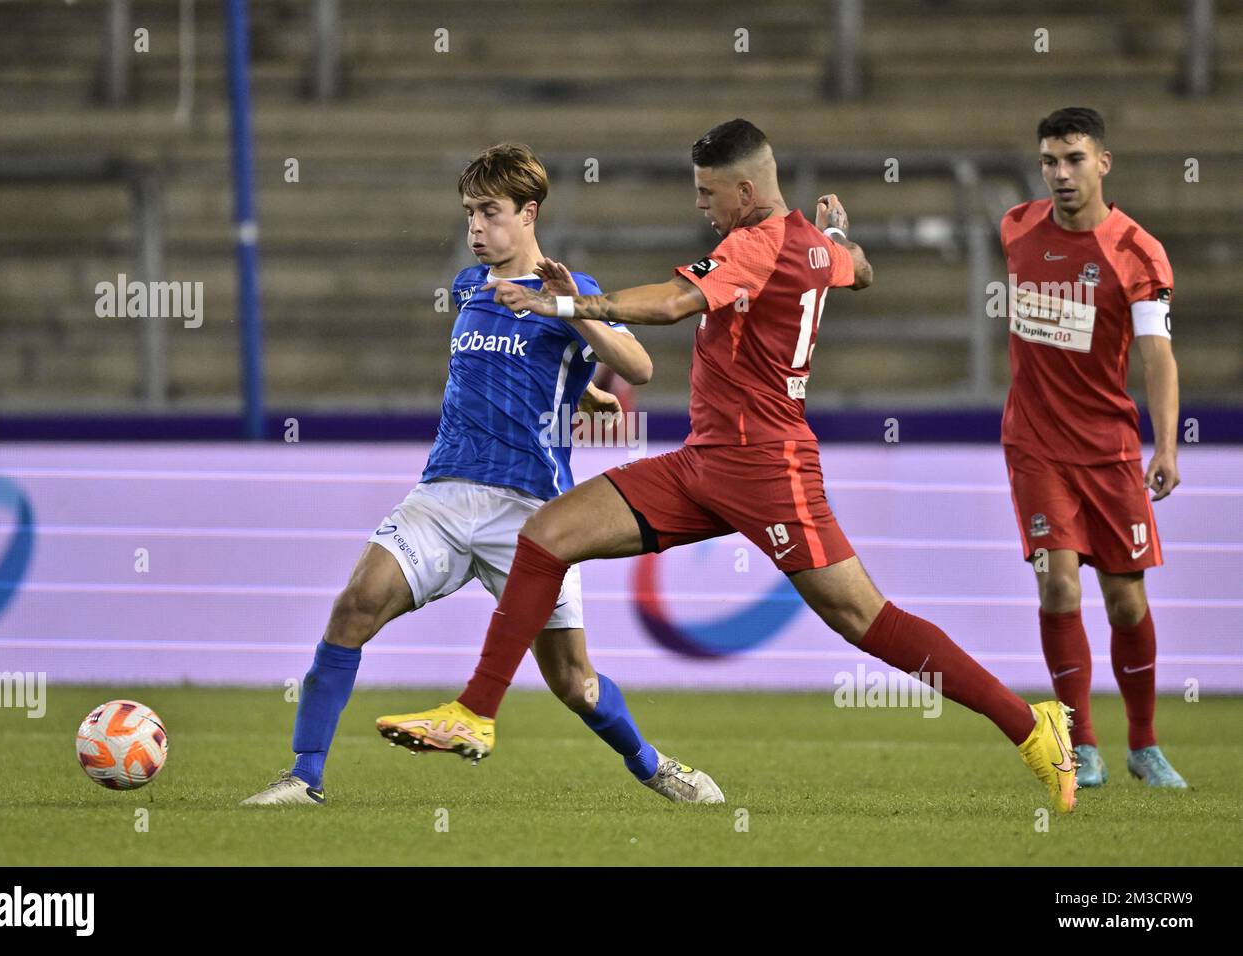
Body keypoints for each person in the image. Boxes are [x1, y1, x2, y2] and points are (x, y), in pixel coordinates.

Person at [379, 120, 1079, 815]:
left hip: (769, 468)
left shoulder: (753, 246)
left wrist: (562, 302)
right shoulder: (807, 242)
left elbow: (674, 303)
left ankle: (1029, 724)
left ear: (746, 190)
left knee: (864, 619)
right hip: (705, 462)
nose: (699, 206)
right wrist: (839, 240)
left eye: (708, 193)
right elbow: (859, 270)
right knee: (546, 537)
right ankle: (476, 710)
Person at [244, 143, 722, 806]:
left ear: (528, 214)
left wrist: (574, 313)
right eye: (469, 212)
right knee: (353, 606)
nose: (475, 227)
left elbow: (639, 368)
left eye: (489, 212)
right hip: (443, 492)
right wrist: (579, 393)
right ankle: (304, 777)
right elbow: (508, 366)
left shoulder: (568, 287)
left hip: (530, 514)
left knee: (575, 684)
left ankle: (652, 766)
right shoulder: (470, 287)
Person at [1000, 107, 1187, 789]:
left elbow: (1157, 354)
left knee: (1126, 603)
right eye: (1050, 160)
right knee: (1056, 584)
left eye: (1074, 159)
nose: (1060, 174)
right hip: (1035, 445)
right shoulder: (1017, 228)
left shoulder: (1138, 251)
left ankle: (1144, 744)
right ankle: (1082, 741)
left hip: (1109, 450)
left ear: (1103, 162)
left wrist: (1164, 445)